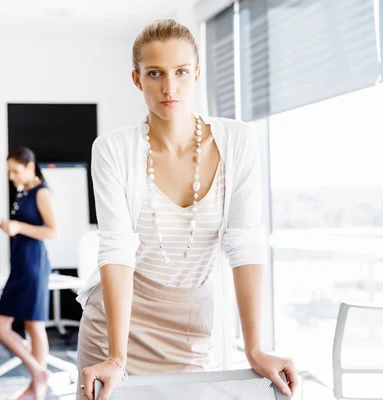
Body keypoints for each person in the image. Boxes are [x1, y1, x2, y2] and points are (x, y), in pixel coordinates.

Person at [76, 19, 298, 400]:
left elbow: (244, 244)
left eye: (180, 72)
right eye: (155, 74)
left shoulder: (238, 141)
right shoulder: (112, 149)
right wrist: (116, 356)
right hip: (117, 322)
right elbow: (116, 249)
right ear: (137, 79)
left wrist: (255, 347)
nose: (169, 87)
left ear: (197, 74)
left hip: (192, 324)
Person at [0, 146, 59, 400]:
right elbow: (22, 227)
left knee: (27, 325)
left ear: (31, 167)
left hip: (33, 265)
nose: (12, 177)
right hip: (20, 265)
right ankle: (38, 377)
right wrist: (3, 224)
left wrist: (18, 226)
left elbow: (53, 231)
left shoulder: (41, 193)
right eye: (10, 171)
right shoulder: (24, 192)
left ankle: (37, 383)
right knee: (23, 325)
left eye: (16, 171)